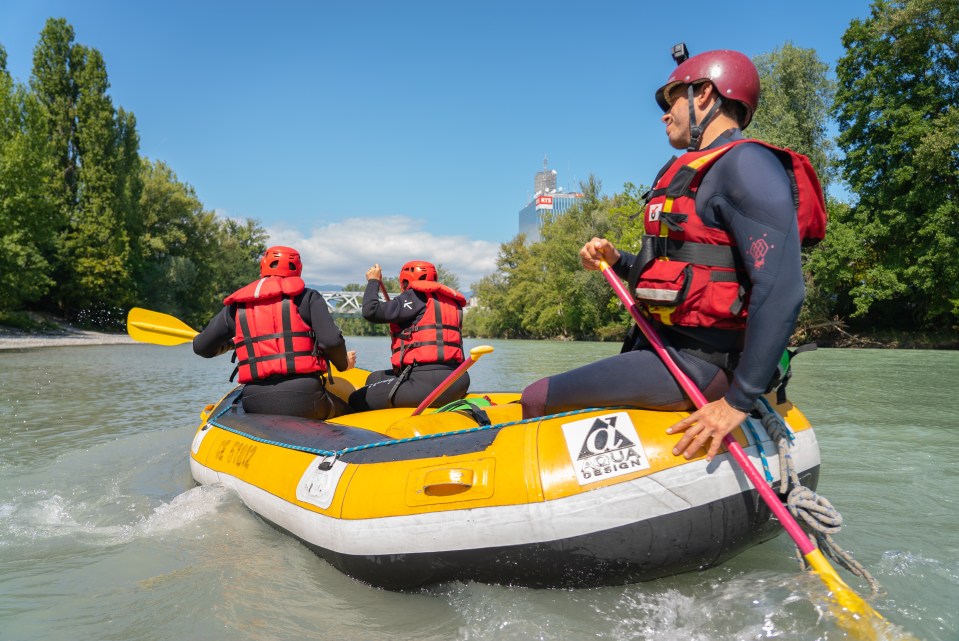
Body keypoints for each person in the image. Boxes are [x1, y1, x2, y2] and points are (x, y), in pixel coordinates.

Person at [520, 45, 826, 462]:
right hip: (667, 349)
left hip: (705, 363)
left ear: (704, 94)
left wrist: (737, 402)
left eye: (672, 100)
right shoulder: (695, 171)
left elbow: (783, 289)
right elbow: (684, 272)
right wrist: (619, 260)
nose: (665, 113)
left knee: (536, 397)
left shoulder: (747, 165)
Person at [193, 245, 356, 419]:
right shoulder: (308, 297)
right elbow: (331, 341)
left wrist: (233, 344)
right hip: (306, 398)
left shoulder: (237, 306)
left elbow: (202, 347)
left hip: (255, 402)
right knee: (353, 410)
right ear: (298, 269)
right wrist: (343, 364)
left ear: (263, 266)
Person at [348, 261, 469, 411]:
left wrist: (373, 281)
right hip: (458, 379)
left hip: (427, 383)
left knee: (356, 399)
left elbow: (370, 311)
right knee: (373, 379)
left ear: (405, 281)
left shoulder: (415, 296)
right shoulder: (450, 301)